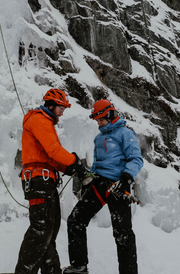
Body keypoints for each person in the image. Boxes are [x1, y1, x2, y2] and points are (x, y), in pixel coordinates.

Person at [63, 99, 143, 274]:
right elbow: (97, 163)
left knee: (123, 234)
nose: (98, 123)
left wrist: (127, 178)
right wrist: (88, 179)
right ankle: (79, 266)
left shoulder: (125, 133)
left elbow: (136, 159)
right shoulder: (99, 138)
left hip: (118, 188)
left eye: (100, 119)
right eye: (96, 120)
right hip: (99, 185)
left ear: (110, 114)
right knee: (75, 220)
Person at [15, 88, 86, 274]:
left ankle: (51, 270)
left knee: (50, 230)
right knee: (41, 230)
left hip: (46, 180)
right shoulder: (39, 120)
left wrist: (68, 167)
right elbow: (54, 150)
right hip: (39, 180)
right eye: (61, 108)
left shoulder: (45, 122)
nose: (63, 112)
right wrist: (74, 162)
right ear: (51, 105)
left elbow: (50, 156)